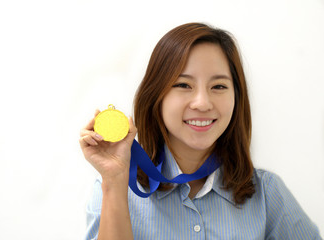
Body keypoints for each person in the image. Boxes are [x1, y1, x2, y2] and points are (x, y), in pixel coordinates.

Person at [79, 23, 322, 240]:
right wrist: (114, 181)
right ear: (156, 97)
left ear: (236, 98)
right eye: (183, 85)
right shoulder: (113, 187)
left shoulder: (267, 193)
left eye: (218, 86)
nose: (203, 103)